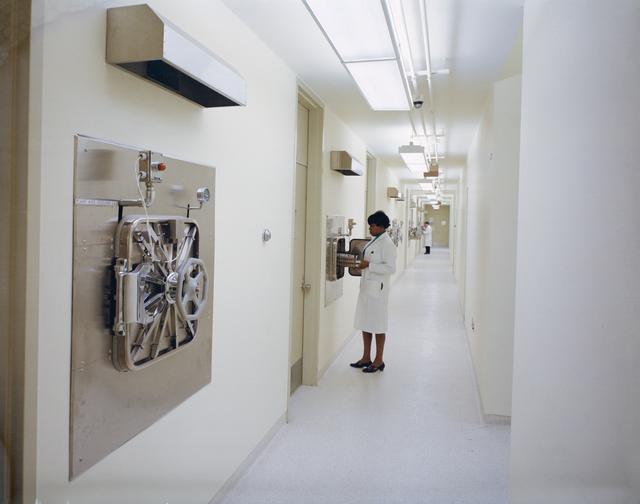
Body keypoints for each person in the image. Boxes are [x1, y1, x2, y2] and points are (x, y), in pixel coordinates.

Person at [350, 210, 397, 373]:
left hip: (378, 291)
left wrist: (369, 265)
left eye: (373, 225)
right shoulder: (374, 240)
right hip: (367, 288)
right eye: (369, 225)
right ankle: (365, 357)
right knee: (366, 322)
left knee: (378, 325)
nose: (370, 227)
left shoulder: (387, 244)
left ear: (382, 226)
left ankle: (378, 360)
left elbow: (390, 268)